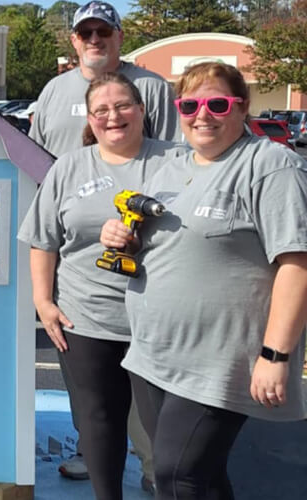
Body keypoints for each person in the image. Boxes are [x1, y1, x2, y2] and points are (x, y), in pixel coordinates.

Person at [100, 61, 307, 499]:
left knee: (178, 476)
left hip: (220, 359)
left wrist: (275, 355)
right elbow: (167, 246)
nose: (203, 114)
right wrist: (123, 239)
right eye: (190, 104)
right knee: (201, 478)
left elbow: (297, 262)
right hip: (154, 353)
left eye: (217, 103)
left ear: (242, 107)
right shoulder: (171, 168)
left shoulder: (270, 164)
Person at [20, 72, 184, 500]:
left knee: (167, 431)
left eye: (123, 106)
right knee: (98, 421)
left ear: (142, 111)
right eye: (102, 110)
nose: (114, 116)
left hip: (160, 321)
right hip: (86, 317)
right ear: (90, 120)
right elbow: (42, 239)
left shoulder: (178, 161)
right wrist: (43, 301)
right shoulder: (69, 167)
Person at [30, 1, 180, 158]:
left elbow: (172, 155)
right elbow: (32, 156)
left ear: (120, 37)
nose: (94, 40)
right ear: (74, 40)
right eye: (85, 33)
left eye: (104, 31)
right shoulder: (53, 89)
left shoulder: (153, 88)